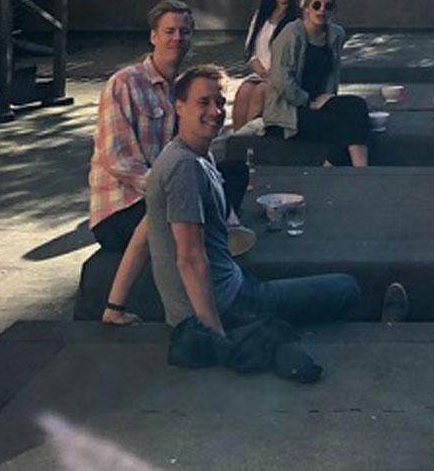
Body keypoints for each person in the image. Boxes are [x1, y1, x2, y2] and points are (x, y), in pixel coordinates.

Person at [147, 65, 367, 359]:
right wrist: (215, 334)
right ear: (179, 106)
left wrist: (114, 304)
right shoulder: (184, 167)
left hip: (231, 286)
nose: (215, 111)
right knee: (346, 288)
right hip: (228, 305)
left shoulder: (193, 154)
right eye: (203, 103)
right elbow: (189, 258)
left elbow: (144, 232)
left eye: (220, 103)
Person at [90, 0, 246, 326]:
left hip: (169, 190)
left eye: (184, 32)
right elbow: (118, 159)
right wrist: (167, 189)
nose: (177, 38)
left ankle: (223, 234)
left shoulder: (185, 90)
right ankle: (116, 306)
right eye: (169, 31)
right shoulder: (124, 83)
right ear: (153, 37)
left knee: (233, 172)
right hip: (122, 206)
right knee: (166, 211)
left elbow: (199, 157)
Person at [262, 0, 372, 167]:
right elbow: (280, 80)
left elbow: (332, 73)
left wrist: (328, 98)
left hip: (319, 104)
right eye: (316, 5)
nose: (321, 10)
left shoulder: (335, 34)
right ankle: (356, 168)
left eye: (327, 6)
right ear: (306, 7)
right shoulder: (291, 33)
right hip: (290, 112)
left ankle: (343, 165)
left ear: (333, 10)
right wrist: (308, 102)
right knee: (349, 121)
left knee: (357, 105)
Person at [232, 0, 303, 130]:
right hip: (261, 74)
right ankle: (236, 142)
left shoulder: (299, 19)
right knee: (243, 92)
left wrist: (274, 76)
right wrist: (260, 70)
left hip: (284, 79)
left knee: (259, 94)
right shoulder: (261, 15)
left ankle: (251, 145)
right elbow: (250, 51)